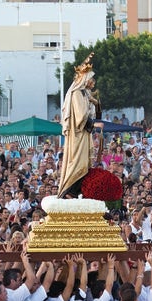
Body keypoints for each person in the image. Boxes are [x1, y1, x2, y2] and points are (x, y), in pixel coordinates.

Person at [58, 52, 97, 198]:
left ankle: (76, 190)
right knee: (77, 163)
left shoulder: (84, 94)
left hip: (83, 134)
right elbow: (81, 116)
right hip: (78, 134)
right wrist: (91, 120)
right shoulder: (77, 94)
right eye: (91, 78)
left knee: (84, 163)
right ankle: (69, 190)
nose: (93, 81)